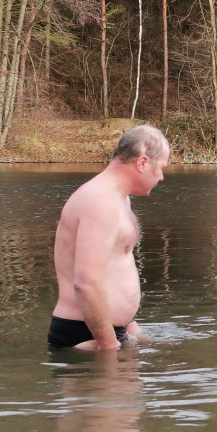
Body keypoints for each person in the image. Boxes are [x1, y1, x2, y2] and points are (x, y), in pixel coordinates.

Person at [48, 124, 170, 350]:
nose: (161, 177)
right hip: (87, 334)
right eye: (161, 167)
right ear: (143, 163)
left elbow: (114, 267)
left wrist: (129, 326)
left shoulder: (119, 199)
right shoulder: (99, 202)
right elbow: (85, 282)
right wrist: (108, 345)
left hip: (108, 331)